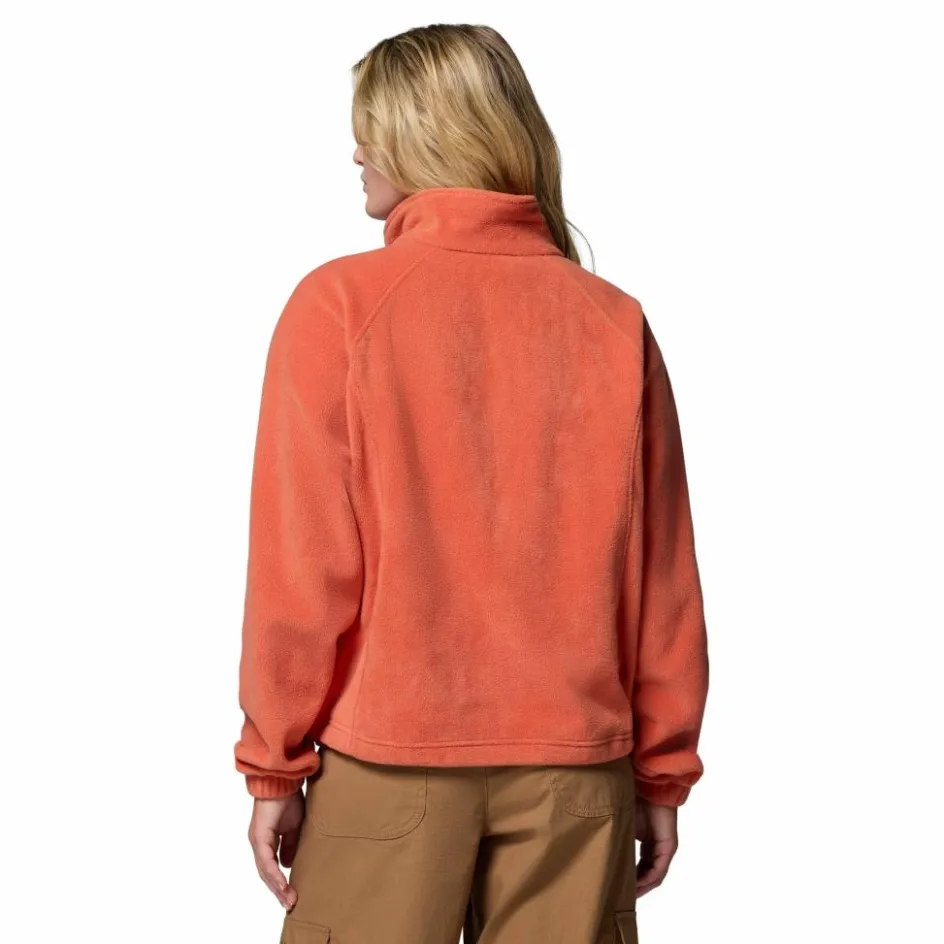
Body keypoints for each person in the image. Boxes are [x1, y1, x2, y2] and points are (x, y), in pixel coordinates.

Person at [234, 23, 709, 944]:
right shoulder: (613, 323)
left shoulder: (339, 306)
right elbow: (662, 584)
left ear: (423, 136)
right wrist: (662, 772)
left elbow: (303, 567)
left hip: (387, 767)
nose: (356, 153)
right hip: (577, 778)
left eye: (370, 129)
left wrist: (273, 765)